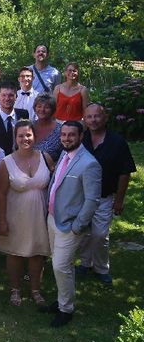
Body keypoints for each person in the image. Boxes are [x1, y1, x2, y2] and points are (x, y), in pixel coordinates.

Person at [45, 120, 101, 327]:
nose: (66, 138)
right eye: (64, 135)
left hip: (70, 225)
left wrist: (78, 225)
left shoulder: (89, 163)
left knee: (60, 266)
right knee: (61, 265)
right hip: (53, 219)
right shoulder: (63, 155)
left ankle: (66, 309)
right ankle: (62, 300)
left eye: (71, 135)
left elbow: (92, 200)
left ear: (80, 136)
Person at [0, 120, 52, 308]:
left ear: (34, 136)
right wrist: (2, 220)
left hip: (40, 215)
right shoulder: (7, 162)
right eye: (20, 135)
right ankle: (15, 289)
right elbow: (1, 192)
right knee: (15, 252)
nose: (24, 139)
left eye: (28, 135)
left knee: (37, 252)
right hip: (15, 215)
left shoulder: (46, 158)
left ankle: (36, 290)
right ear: (15, 138)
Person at [78, 104, 136, 286]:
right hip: (81, 196)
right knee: (84, 233)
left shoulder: (117, 142)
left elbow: (125, 172)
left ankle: (101, 268)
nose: (93, 120)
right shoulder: (81, 139)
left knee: (100, 234)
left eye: (97, 116)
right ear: (84, 120)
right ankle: (85, 264)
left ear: (105, 118)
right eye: (89, 117)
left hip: (104, 196)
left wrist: (119, 200)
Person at [0, 82, 29, 260]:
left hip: (21, 166)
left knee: (20, 207)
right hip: (0, 169)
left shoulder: (23, 115)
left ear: (16, 97)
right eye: (4, 95)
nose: (7, 98)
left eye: (11, 95)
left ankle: (20, 243)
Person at [32, 93, 63, 162]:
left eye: (47, 107)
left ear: (53, 110)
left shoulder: (60, 130)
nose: (42, 110)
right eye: (39, 106)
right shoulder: (28, 126)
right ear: (35, 108)